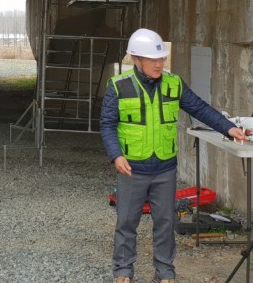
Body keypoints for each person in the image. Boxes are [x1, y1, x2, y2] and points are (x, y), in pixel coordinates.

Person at [100, 29, 245, 283]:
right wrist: (115, 155)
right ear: (136, 59)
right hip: (132, 168)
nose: (159, 64)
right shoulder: (118, 86)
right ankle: (123, 271)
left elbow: (199, 107)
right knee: (126, 222)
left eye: (161, 58)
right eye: (153, 59)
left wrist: (228, 127)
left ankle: (165, 272)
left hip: (165, 168)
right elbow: (107, 125)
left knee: (165, 222)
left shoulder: (174, 83)